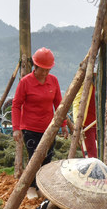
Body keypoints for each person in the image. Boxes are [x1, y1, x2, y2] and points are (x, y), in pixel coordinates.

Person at [12, 48, 71, 200]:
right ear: (35, 66)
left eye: (48, 70)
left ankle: (42, 187)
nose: (45, 73)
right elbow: (16, 105)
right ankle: (31, 187)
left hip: (49, 129)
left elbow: (59, 104)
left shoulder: (54, 81)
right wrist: (16, 128)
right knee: (34, 158)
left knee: (47, 158)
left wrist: (63, 124)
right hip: (30, 129)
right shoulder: (25, 82)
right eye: (42, 70)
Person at [72, 86, 98, 158]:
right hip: (87, 124)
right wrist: (77, 122)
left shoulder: (105, 84)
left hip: (101, 124)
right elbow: (77, 102)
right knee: (91, 154)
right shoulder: (86, 84)